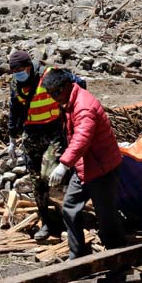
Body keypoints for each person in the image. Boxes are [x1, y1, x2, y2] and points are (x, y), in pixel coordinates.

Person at [42, 68, 127, 259]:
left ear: (65, 87)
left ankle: (118, 255)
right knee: (70, 207)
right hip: (84, 166)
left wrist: (64, 164)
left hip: (102, 168)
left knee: (107, 217)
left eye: (55, 93)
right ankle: (77, 255)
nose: (53, 98)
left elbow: (82, 137)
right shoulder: (68, 101)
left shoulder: (84, 106)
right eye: (50, 94)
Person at [7, 50, 82, 240]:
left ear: (29, 66)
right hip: (31, 133)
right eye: (14, 71)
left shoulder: (49, 74)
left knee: (51, 175)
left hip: (53, 131)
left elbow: (78, 84)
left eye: (20, 70)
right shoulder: (16, 83)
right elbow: (14, 109)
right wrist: (12, 139)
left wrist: (73, 113)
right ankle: (46, 223)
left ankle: (69, 220)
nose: (18, 74)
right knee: (37, 182)